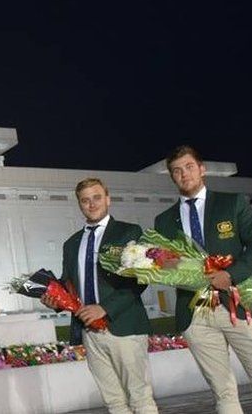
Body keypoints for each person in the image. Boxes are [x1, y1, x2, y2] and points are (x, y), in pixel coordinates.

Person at [154, 145, 252, 414]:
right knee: (223, 394)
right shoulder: (164, 221)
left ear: (201, 169)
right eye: (177, 171)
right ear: (172, 177)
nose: (184, 174)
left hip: (239, 308)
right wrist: (160, 266)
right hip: (196, 316)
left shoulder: (232, 203)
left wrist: (231, 275)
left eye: (189, 167)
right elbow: (167, 267)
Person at [44, 177, 158, 414]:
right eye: (85, 200)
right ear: (79, 205)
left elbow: (140, 280)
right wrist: (54, 300)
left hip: (123, 325)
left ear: (108, 199)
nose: (92, 204)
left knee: (140, 398)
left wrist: (104, 307)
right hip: (89, 331)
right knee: (114, 402)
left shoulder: (129, 232)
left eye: (96, 198)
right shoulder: (71, 243)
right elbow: (68, 284)